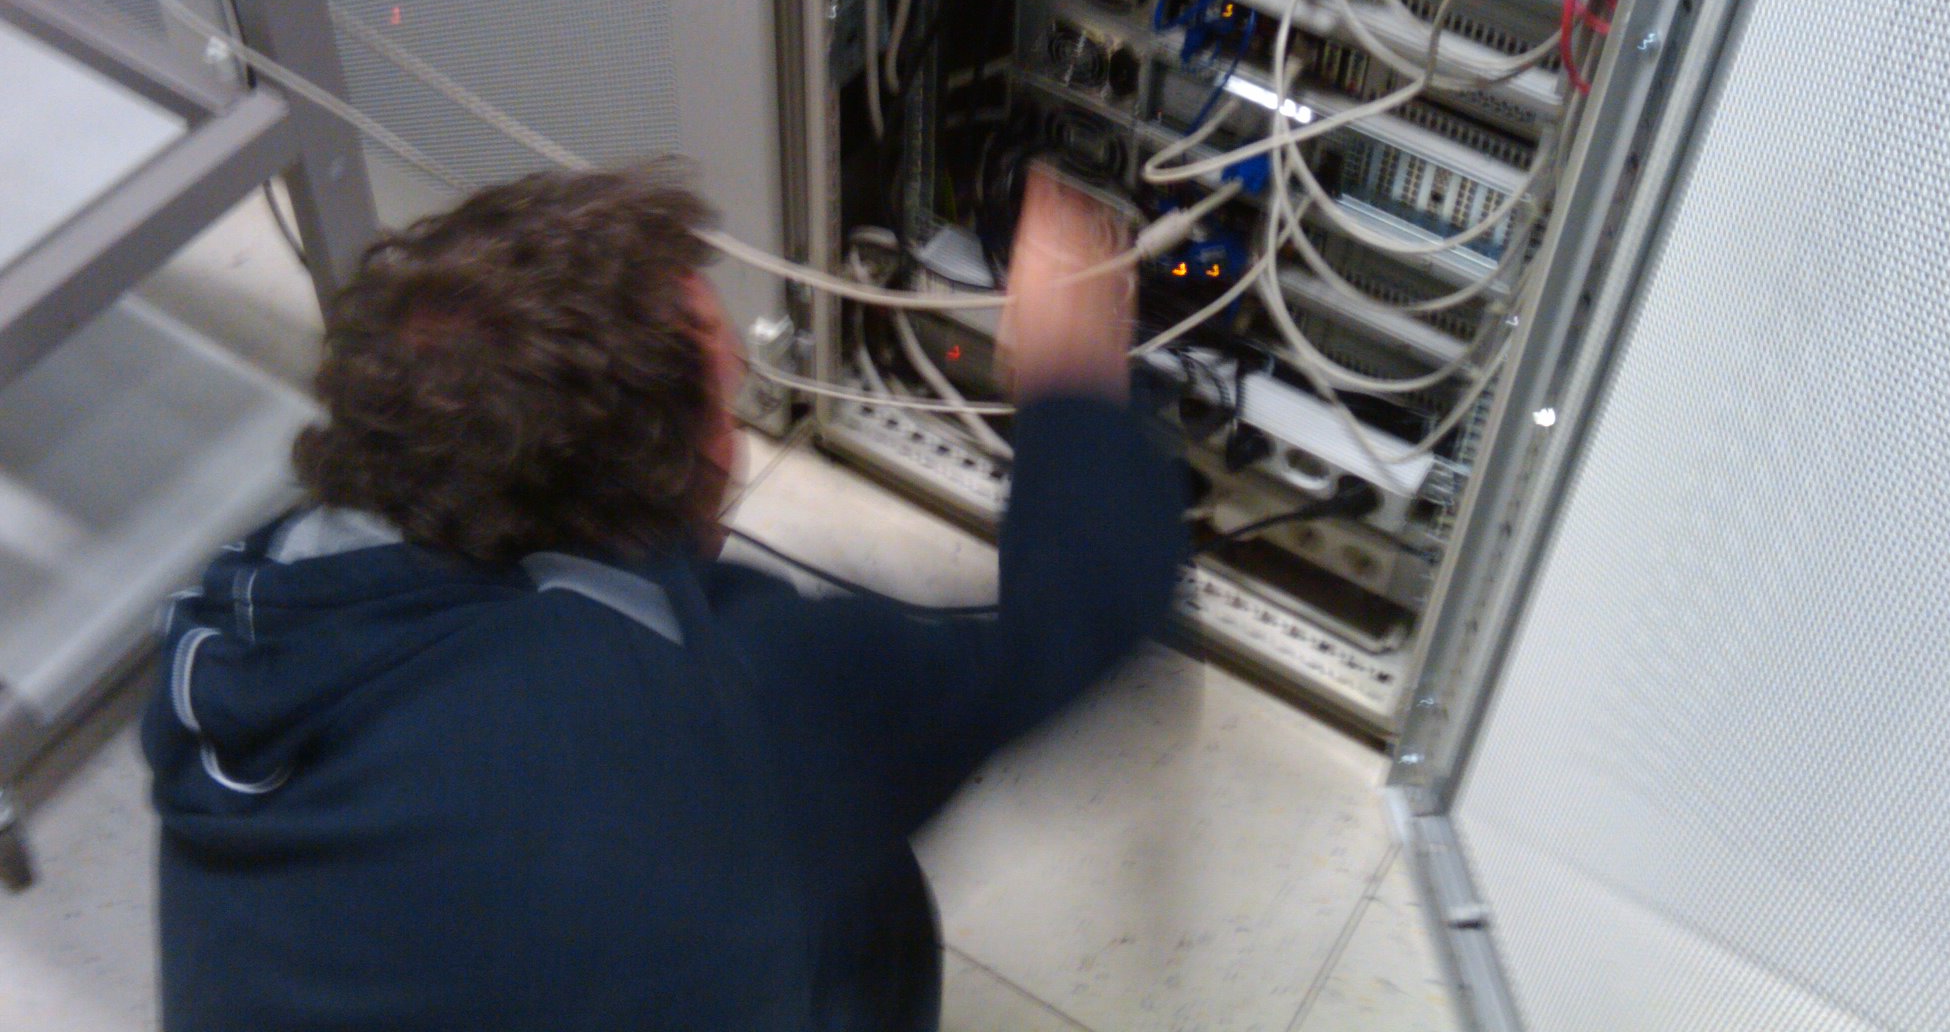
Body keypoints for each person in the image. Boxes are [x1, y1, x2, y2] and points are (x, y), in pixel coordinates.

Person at [144, 163, 1184, 1032]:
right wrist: (1070, 373)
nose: (740, 423)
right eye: (728, 399)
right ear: (651, 478)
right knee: (855, 898)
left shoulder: (255, 612)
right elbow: (1077, 612)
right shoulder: (733, 699)